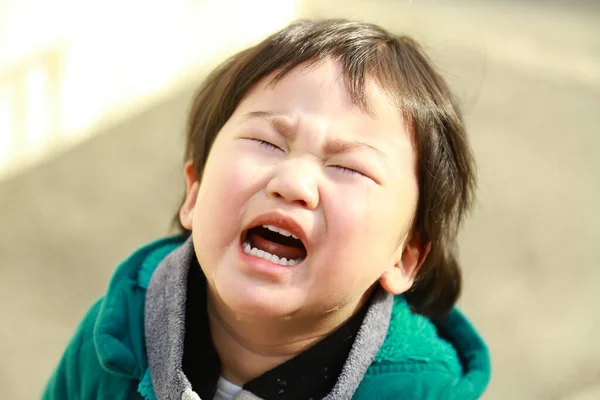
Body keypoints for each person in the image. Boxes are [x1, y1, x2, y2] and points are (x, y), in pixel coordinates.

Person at [42, 19, 491, 400]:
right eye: (265, 143)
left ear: (404, 256)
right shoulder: (118, 338)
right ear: (194, 193)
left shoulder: (421, 390)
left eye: (349, 167)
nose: (293, 183)